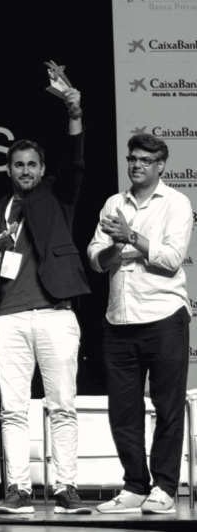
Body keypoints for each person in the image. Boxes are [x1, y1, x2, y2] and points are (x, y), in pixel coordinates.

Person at [0, 87, 90, 515]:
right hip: (8, 317)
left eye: (32, 164)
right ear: (8, 169)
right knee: (12, 410)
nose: (26, 170)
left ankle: (66, 487)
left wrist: (74, 114)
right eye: (19, 164)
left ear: (42, 168)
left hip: (54, 313)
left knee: (62, 406)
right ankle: (18, 490)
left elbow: (76, 162)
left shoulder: (58, 195)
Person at [88, 133, 193, 515]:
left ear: (160, 165)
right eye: (132, 158)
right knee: (123, 411)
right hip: (118, 318)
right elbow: (95, 258)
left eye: (145, 160)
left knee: (167, 407)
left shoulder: (177, 203)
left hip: (163, 316)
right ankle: (135, 486)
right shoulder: (113, 203)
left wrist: (130, 235)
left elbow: (172, 258)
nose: (136, 165)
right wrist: (116, 246)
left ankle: (164, 487)